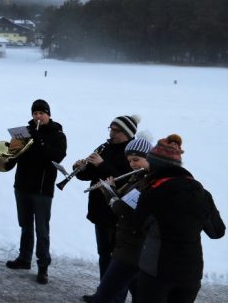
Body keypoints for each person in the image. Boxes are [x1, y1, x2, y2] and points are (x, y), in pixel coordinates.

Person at [126, 135, 224, 303]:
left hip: (156, 271)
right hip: (191, 274)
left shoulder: (152, 192)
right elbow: (217, 232)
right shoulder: (202, 193)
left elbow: (136, 226)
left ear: (155, 165)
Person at [75, 115, 138, 302]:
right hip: (100, 210)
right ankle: (103, 294)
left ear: (127, 133)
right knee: (104, 254)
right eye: (110, 128)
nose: (111, 132)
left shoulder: (131, 152)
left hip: (118, 212)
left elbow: (126, 178)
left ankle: (116, 298)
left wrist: (101, 164)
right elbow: (91, 176)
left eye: (116, 130)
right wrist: (81, 169)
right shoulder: (106, 146)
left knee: (118, 259)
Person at [4, 99, 67, 285]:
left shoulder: (58, 135)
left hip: (42, 190)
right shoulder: (24, 131)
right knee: (25, 225)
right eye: (35, 113)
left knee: (42, 230)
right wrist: (11, 152)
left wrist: (38, 140)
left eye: (42, 113)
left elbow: (55, 156)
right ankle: (24, 259)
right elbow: (15, 157)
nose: (38, 117)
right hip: (22, 185)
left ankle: (43, 266)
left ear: (48, 114)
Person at [93, 136, 153, 303]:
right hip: (130, 243)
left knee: (119, 289)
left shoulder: (148, 181)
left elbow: (120, 208)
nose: (133, 164)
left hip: (136, 246)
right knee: (132, 287)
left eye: (136, 159)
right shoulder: (138, 177)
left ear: (149, 158)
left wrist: (109, 192)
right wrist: (111, 190)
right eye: (130, 160)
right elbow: (125, 203)